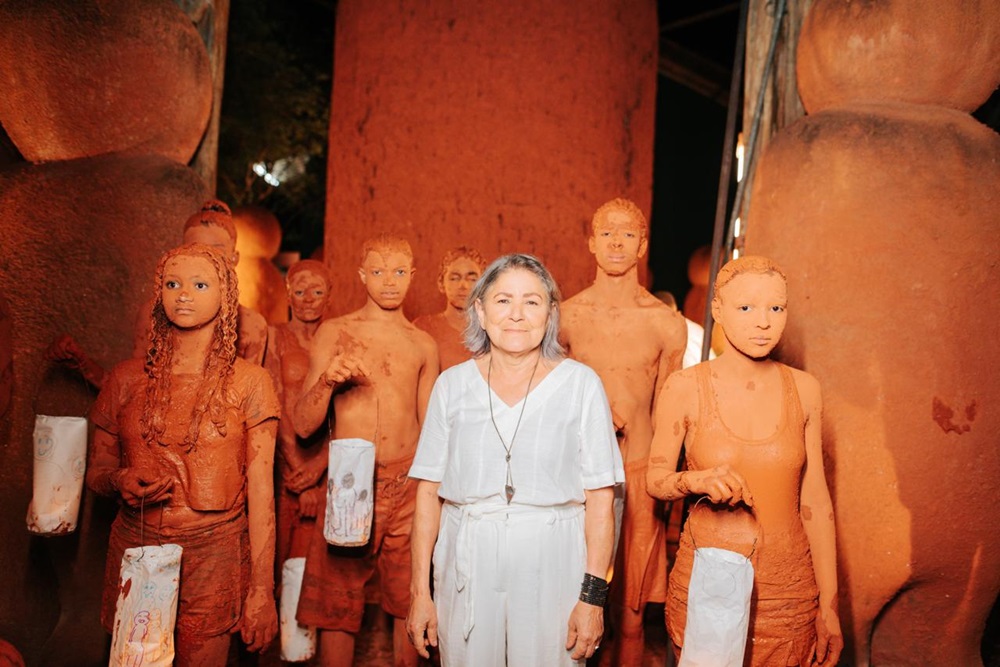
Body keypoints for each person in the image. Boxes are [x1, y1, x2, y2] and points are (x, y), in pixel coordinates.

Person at [406, 253, 625, 666]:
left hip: (552, 558)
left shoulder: (580, 385)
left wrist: (592, 599)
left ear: (551, 313)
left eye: (532, 301)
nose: (517, 315)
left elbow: (600, 500)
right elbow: (428, 493)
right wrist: (420, 593)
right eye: (503, 301)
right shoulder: (451, 386)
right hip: (468, 559)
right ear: (481, 311)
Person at [86, 243, 280, 664]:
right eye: (172, 284)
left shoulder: (250, 383)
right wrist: (118, 479)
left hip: (215, 551)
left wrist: (262, 590)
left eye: (199, 284)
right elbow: (97, 468)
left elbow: (263, 494)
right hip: (137, 544)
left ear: (225, 295)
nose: (184, 294)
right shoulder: (125, 379)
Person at [647, 256, 842, 666]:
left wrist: (829, 604)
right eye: (746, 308)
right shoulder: (686, 387)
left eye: (776, 308)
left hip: (788, 590)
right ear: (717, 310)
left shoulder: (805, 390)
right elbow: (656, 479)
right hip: (710, 581)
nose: (763, 322)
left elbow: (817, 504)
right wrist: (694, 481)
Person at [292, 233, 439, 667]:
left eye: (398, 272)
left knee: (408, 596)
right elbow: (303, 425)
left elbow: (432, 431)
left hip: (408, 481)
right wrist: (327, 381)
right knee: (338, 601)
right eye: (377, 271)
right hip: (349, 480)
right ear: (361, 275)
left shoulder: (422, 345)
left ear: (413, 276)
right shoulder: (336, 332)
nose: (388, 282)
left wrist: (434, 493)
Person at [559, 198, 687, 666]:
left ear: (642, 245)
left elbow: (671, 411)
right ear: (591, 243)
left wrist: (667, 487)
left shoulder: (665, 323)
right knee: (573, 598)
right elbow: (549, 402)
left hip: (639, 471)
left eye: (627, 233)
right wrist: (588, 419)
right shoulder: (566, 316)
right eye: (606, 232)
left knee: (631, 613)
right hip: (577, 472)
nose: (616, 241)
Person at [47, 200, 269, 389]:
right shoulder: (154, 314)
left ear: (234, 258)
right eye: (194, 247)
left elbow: (249, 409)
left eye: (216, 249)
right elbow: (133, 391)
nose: (205, 257)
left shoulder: (252, 326)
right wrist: (83, 364)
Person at [264, 259, 332, 570]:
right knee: (280, 557)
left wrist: (319, 468)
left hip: (328, 463)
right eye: (300, 290)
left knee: (322, 561)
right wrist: (299, 474)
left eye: (316, 291)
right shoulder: (274, 337)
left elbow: (347, 411)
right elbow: (272, 404)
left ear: (329, 294)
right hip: (286, 464)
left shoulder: (337, 339)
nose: (307, 299)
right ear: (288, 293)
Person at [413, 246, 486, 371]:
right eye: (454, 278)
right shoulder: (423, 328)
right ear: (441, 283)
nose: (463, 285)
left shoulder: (492, 330)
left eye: (472, 279)